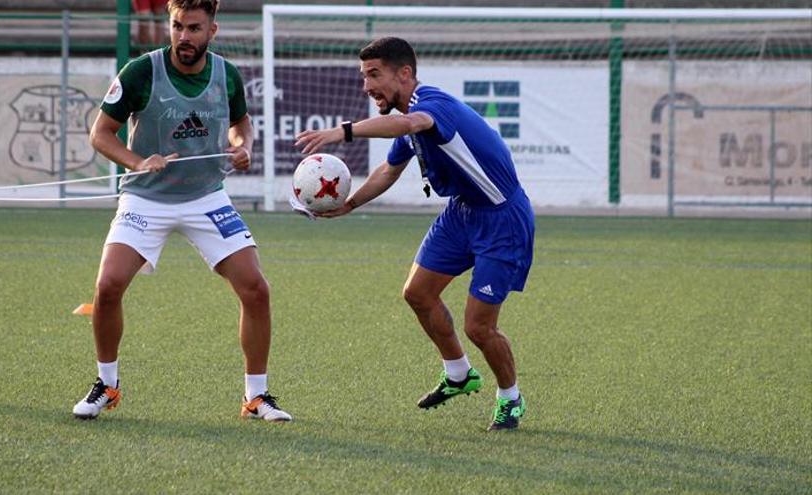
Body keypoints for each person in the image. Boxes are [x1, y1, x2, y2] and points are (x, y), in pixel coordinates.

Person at [295, 37, 534, 431]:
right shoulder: (404, 113)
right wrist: (350, 204)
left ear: (404, 74)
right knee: (417, 293)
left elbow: (409, 124)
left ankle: (511, 398)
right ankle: (458, 374)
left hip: (502, 220)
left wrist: (343, 132)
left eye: (374, 75)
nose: (366, 86)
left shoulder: (431, 107)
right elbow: (390, 170)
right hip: (461, 213)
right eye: (363, 76)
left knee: (479, 326)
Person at [73, 0, 292, 422]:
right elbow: (100, 135)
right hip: (145, 198)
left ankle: (256, 396)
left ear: (213, 30)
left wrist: (243, 145)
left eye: (194, 28)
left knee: (256, 289)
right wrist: (138, 162)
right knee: (108, 286)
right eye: (177, 26)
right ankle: (107, 385)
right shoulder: (140, 72)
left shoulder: (227, 74)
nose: (183, 37)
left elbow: (242, 123)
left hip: (207, 197)